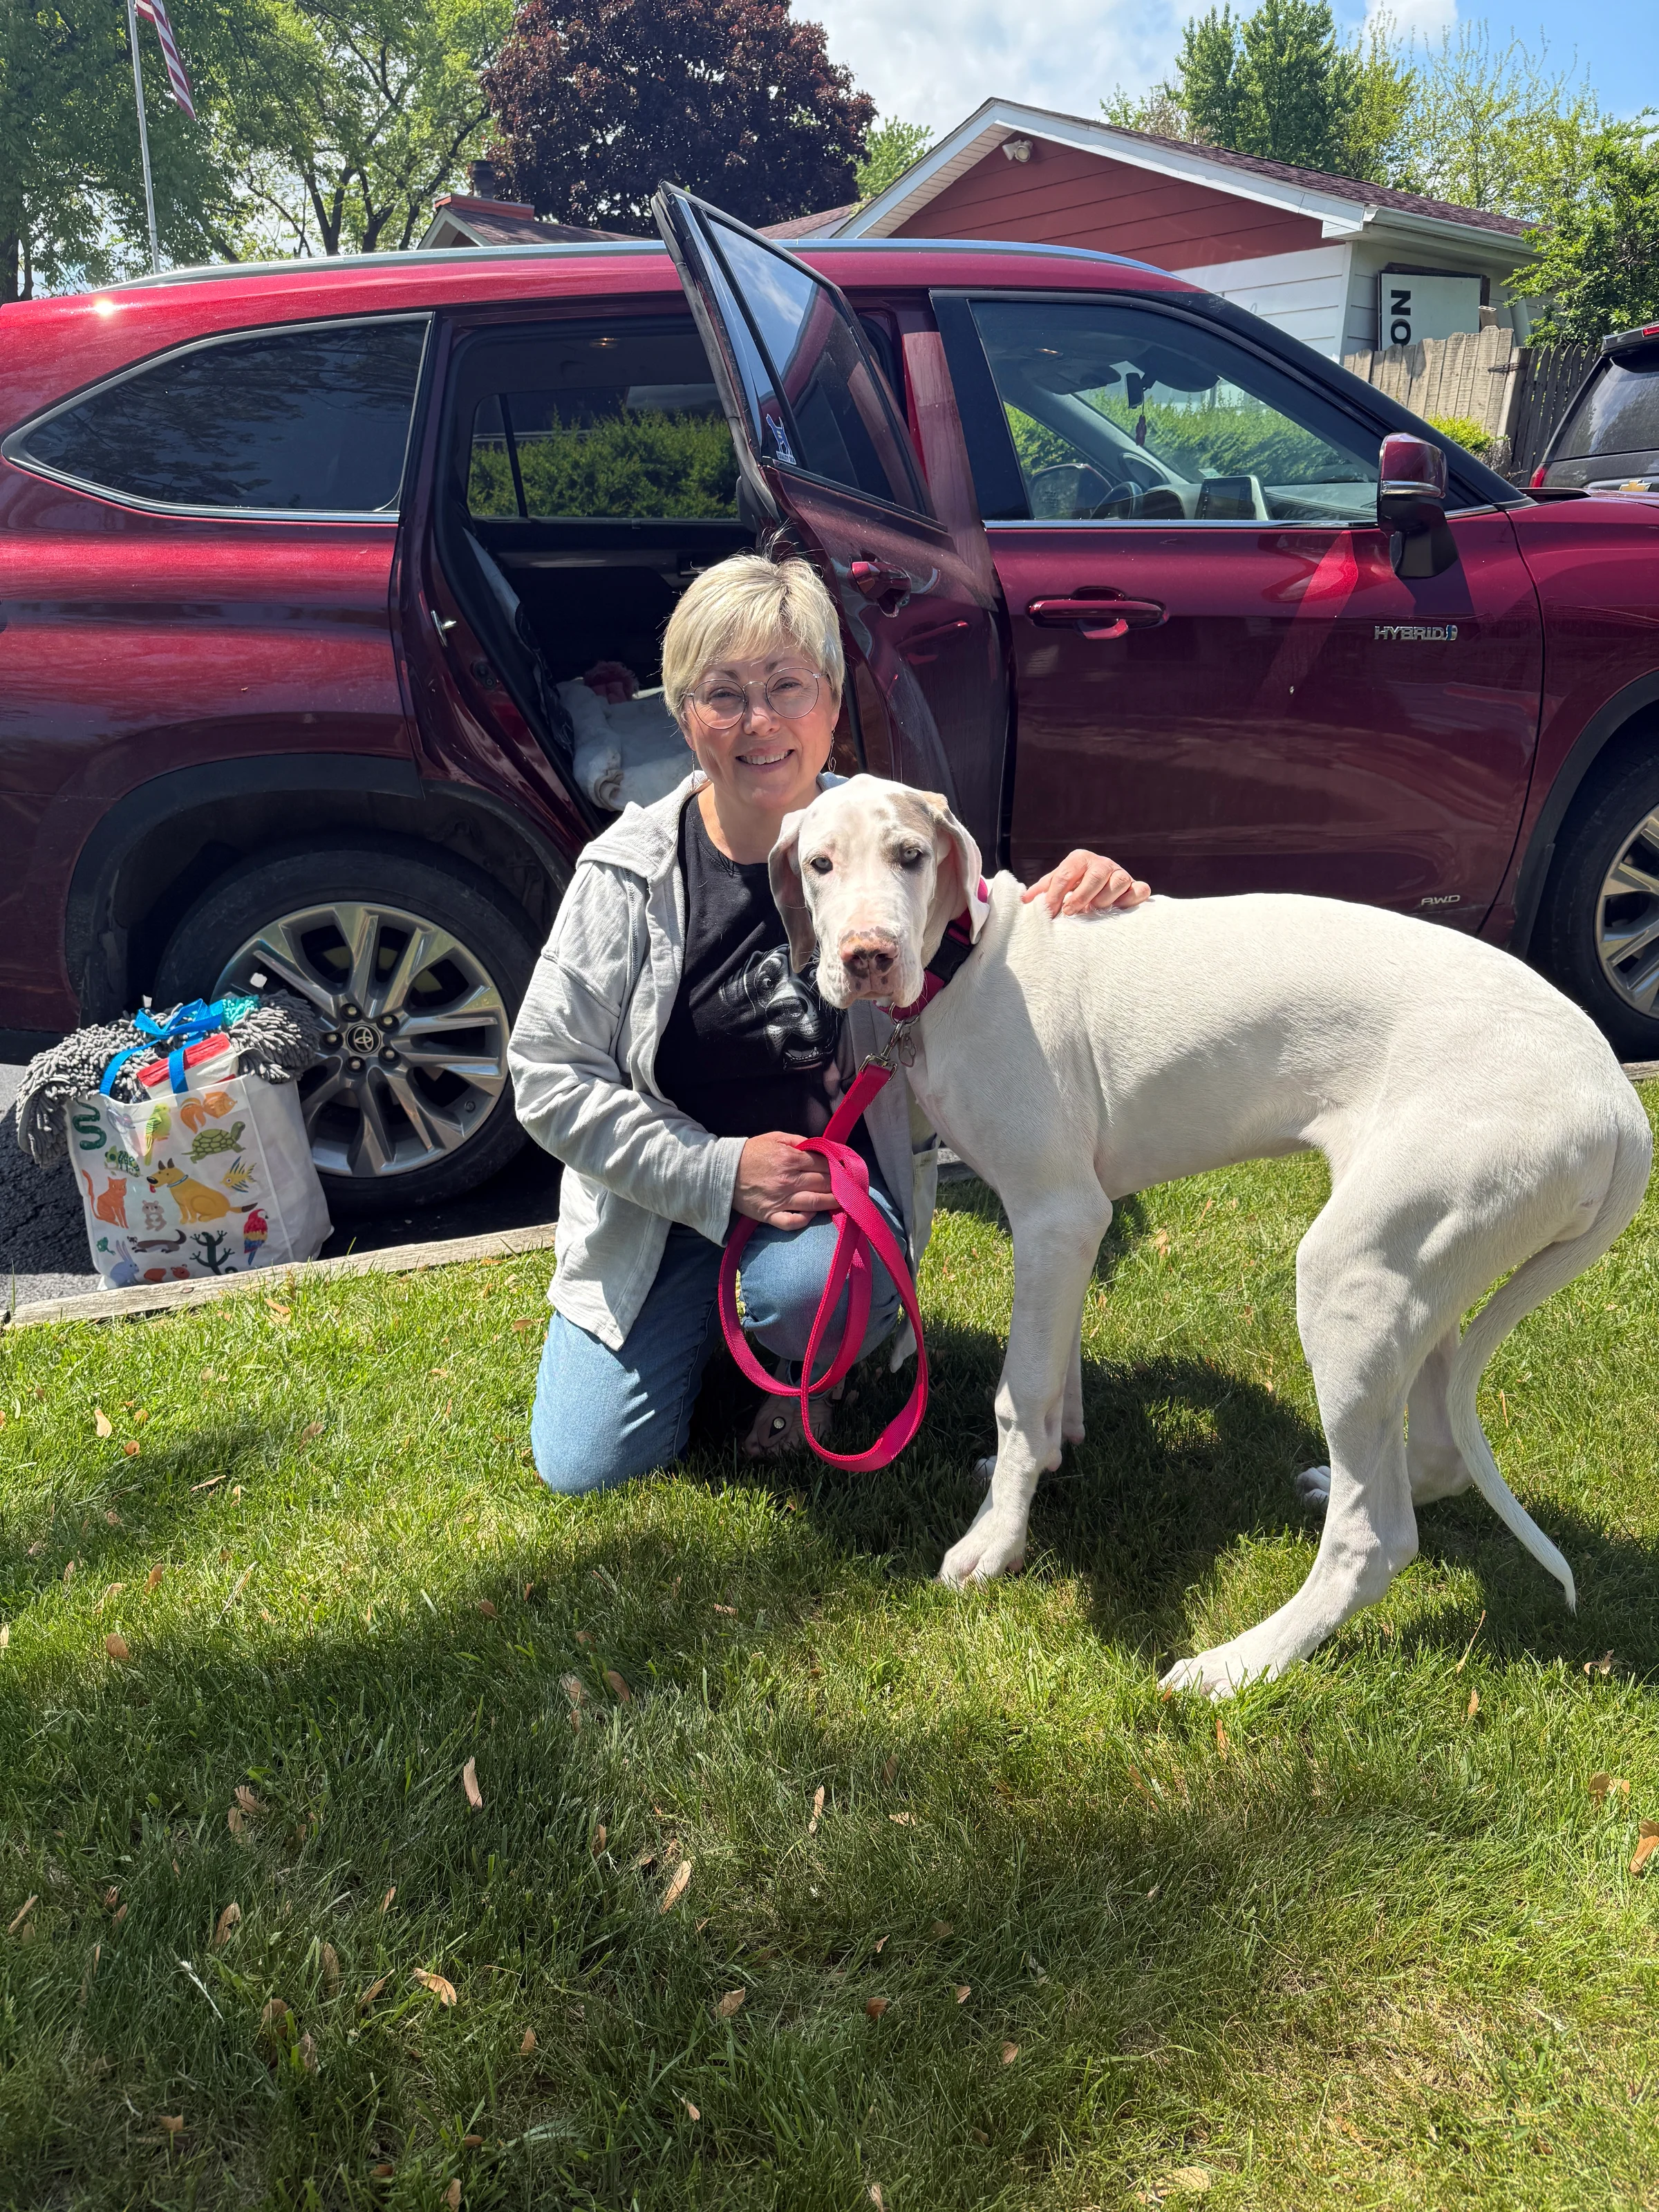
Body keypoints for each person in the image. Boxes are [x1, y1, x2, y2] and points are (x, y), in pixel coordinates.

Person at [507, 551, 1150, 1492]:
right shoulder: (628, 873)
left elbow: (995, 932)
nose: (759, 722)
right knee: (587, 1465)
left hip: (824, 1202)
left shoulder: (884, 836)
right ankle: (723, 1320)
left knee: (808, 1294)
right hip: (657, 1204)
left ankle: (813, 1355)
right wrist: (718, 1172)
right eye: (723, 694)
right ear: (684, 717)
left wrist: (1091, 894)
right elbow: (545, 1074)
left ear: (832, 704)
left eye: (786, 686)